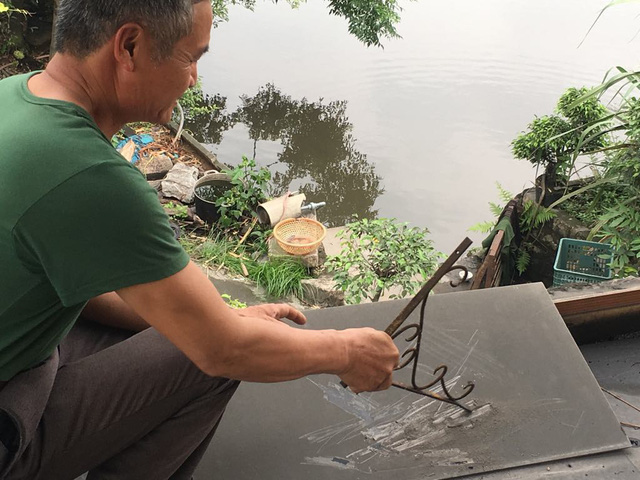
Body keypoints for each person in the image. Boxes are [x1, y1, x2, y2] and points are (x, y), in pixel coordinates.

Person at [0, 1, 399, 479]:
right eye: (192, 58)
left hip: (28, 354)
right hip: (11, 410)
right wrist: (347, 352)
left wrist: (216, 316)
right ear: (129, 46)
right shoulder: (89, 177)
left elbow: (74, 280)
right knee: (205, 362)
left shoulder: (15, 97)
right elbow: (223, 350)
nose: (193, 79)